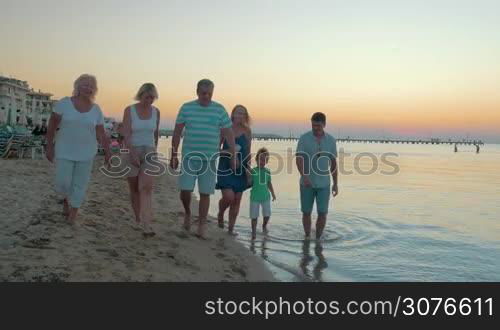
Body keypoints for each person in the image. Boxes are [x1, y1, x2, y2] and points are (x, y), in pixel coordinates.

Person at [170, 79, 236, 239]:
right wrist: (173, 154)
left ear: (212, 93)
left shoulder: (219, 110)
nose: (206, 96)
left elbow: (229, 134)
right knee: (185, 190)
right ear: (197, 92)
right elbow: (177, 132)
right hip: (189, 156)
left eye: (209, 94)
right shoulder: (186, 108)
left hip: (210, 158)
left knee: (205, 193)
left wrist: (233, 156)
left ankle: (201, 225)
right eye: (203, 93)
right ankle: (187, 213)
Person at [45, 74, 110, 223]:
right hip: (64, 150)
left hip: (87, 152)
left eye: (91, 86)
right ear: (77, 86)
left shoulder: (96, 109)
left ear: (95, 90)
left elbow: (101, 133)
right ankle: (67, 199)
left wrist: (107, 153)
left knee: (80, 184)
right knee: (63, 183)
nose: (88, 88)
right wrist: (49, 145)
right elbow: (52, 124)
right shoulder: (64, 103)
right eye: (85, 84)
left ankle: (74, 212)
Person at [121, 83, 161, 236]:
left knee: (146, 188)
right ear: (140, 95)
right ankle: (137, 218)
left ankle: (146, 224)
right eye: (147, 97)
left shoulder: (156, 112)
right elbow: (126, 133)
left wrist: (154, 149)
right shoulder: (129, 110)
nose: (149, 100)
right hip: (132, 150)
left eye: (152, 97)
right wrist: (132, 153)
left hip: (149, 151)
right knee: (134, 189)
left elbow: (155, 133)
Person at [295, 112, 338, 240]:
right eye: (313, 125)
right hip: (306, 183)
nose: (315, 128)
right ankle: (307, 237)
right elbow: (299, 159)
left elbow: (333, 163)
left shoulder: (331, 140)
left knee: (323, 213)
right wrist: (304, 176)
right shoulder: (304, 138)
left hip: (324, 184)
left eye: (318, 126)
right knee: (306, 212)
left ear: (324, 124)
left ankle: (318, 240)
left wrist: (336, 183)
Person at [216, 105, 252, 235]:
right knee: (229, 197)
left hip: (241, 168)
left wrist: (248, 169)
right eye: (238, 113)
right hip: (225, 167)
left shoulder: (247, 131)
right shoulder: (225, 129)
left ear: (245, 116)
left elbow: (248, 152)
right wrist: (230, 153)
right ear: (232, 114)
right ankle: (220, 213)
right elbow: (216, 149)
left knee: (237, 200)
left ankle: (230, 229)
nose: (240, 116)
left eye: (243, 114)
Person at [248, 147, 276, 240]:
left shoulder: (268, 171)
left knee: (267, 215)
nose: (262, 161)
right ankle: (254, 232)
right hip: (255, 197)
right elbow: (249, 183)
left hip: (265, 197)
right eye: (260, 159)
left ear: (267, 161)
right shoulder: (253, 171)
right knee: (254, 217)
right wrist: (247, 175)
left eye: (264, 160)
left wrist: (273, 193)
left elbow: (269, 183)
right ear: (256, 159)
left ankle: (264, 226)